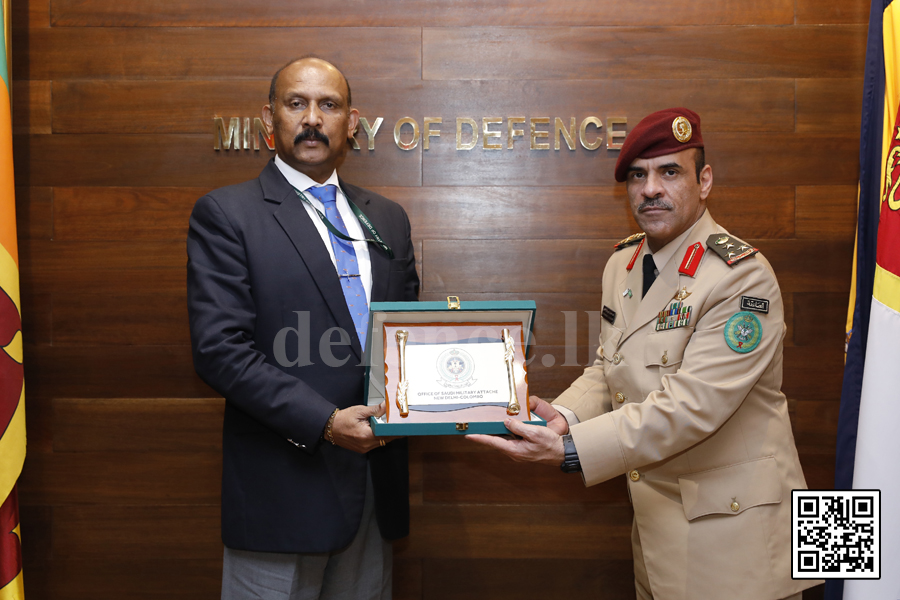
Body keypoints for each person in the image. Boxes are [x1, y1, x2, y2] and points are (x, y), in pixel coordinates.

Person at [469, 108, 819, 600]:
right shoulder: (623, 264)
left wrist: (572, 452)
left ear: (705, 181)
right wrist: (565, 416)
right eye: (638, 175)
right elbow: (608, 366)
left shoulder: (742, 275)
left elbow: (692, 407)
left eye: (669, 171)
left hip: (737, 539)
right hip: (659, 533)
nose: (650, 188)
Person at [187, 57, 419, 600]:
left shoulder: (387, 218)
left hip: (372, 488)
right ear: (270, 118)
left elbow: (405, 336)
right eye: (297, 104)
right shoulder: (228, 214)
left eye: (328, 105)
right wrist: (326, 421)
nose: (312, 118)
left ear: (352, 122)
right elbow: (219, 350)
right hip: (281, 493)